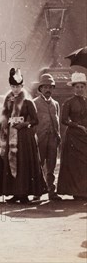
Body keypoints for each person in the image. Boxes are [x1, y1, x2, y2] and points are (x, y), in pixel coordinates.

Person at [0, 68, 46, 204]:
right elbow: (4, 118)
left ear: (22, 86)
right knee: (12, 163)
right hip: (11, 135)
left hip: (24, 136)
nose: (15, 89)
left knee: (23, 163)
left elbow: (35, 120)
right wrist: (7, 123)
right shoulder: (8, 101)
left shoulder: (28, 102)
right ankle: (15, 193)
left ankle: (24, 193)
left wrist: (24, 124)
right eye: (13, 86)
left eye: (18, 86)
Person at [57, 72, 87, 200]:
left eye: (82, 87)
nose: (79, 89)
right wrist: (77, 126)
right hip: (73, 137)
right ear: (73, 88)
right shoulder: (68, 102)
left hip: (85, 135)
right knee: (75, 164)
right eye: (77, 87)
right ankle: (76, 192)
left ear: (84, 88)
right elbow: (64, 120)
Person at [33, 73, 62, 201]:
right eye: (45, 87)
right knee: (39, 164)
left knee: (51, 165)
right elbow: (33, 122)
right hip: (40, 138)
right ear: (40, 89)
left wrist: (58, 135)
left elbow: (57, 121)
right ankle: (37, 192)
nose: (48, 90)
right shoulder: (34, 103)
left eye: (50, 87)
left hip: (53, 139)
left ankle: (51, 191)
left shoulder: (55, 104)